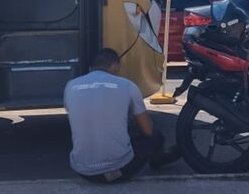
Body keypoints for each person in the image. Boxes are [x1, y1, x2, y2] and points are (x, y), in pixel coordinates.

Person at [63, 48, 180, 183]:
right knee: (156, 136)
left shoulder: (71, 86)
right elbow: (147, 130)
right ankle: (158, 161)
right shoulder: (127, 85)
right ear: (116, 66)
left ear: (92, 67)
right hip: (119, 170)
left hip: (83, 171)